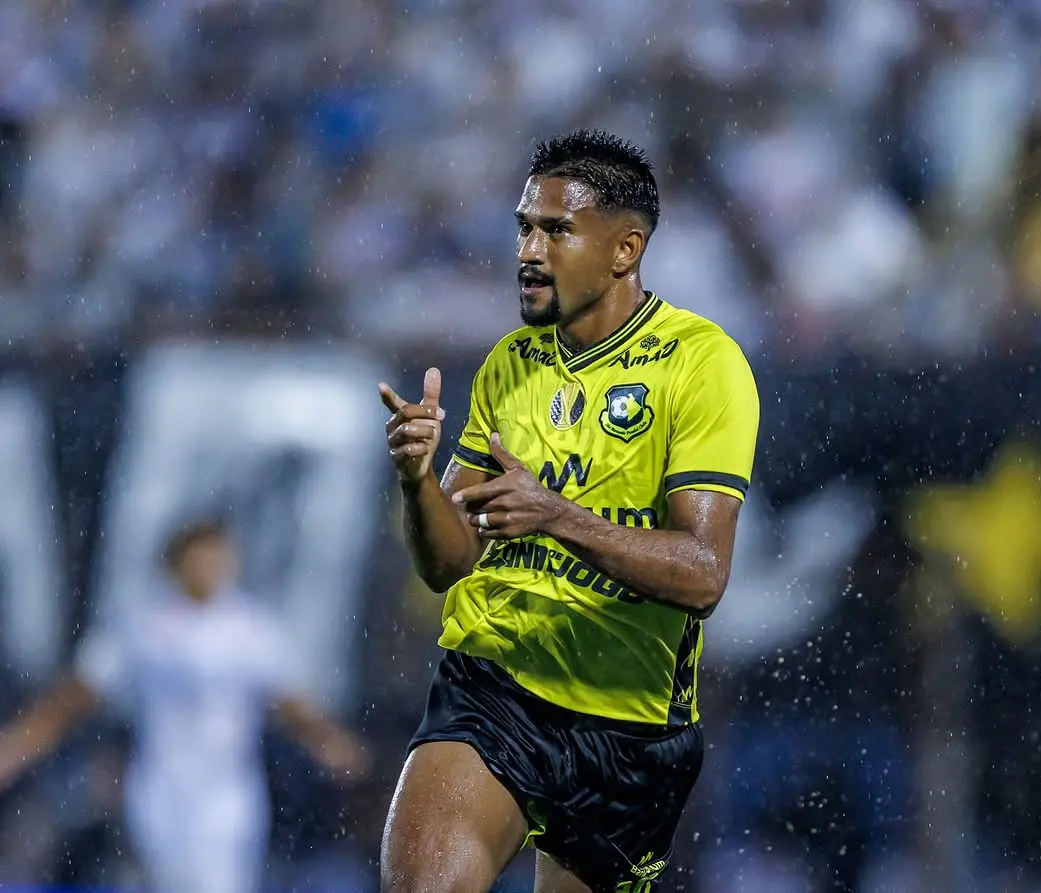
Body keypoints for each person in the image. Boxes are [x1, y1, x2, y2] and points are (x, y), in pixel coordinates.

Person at [377, 129, 760, 892]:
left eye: (557, 230)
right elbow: (448, 563)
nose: (529, 249)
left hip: (630, 729)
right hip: (494, 690)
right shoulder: (509, 366)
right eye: (524, 226)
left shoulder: (701, 363)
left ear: (625, 249)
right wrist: (419, 480)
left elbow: (704, 575)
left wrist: (556, 515)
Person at [0, 516, 369, 893]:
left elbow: (289, 702)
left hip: (229, 796)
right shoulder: (143, 627)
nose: (210, 568)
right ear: (174, 563)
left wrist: (328, 740)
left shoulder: (251, 630)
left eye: (217, 557)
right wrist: (17, 745)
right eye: (200, 557)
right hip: (160, 793)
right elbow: (74, 698)